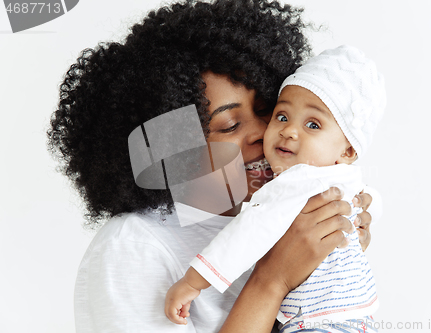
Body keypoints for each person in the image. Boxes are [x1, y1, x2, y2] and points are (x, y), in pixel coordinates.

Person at [47, 1, 378, 332]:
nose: (263, 133)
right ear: (176, 147)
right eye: (230, 125)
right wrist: (272, 279)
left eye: (269, 111)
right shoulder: (133, 247)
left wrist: (331, 259)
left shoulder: (279, 217)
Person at [164, 46, 384, 332]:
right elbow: (372, 201)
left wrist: (193, 281)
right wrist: (362, 220)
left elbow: (246, 234)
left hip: (315, 322)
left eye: (313, 125)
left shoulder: (292, 185)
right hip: (359, 314)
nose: (289, 131)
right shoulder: (343, 178)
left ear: (348, 150)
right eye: (281, 116)